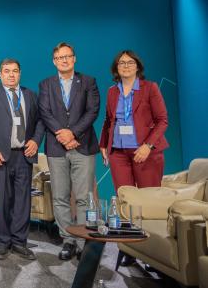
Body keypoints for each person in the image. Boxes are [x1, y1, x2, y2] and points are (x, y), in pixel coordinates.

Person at [0, 59, 45, 260]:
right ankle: (2, 243)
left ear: (20, 74)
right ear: (0, 74)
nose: (11, 75)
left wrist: (35, 141)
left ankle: (19, 242)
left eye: (15, 71)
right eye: (7, 71)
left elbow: (40, 121)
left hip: (24, 156)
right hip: (0, 156)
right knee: (1, 201)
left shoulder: (30, 95)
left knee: (22, 202)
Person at [38, 42, 100, 261]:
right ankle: (68, 240)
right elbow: (45, 112)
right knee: (60, 197)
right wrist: (62, 135)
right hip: (56, 148)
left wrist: (72, 134)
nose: (64, 60)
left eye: (68, 56)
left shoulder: (88, 82)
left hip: (83, 145)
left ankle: (84, 241)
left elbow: (92, 111)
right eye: (59, 57)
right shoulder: (46, 84)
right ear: (54, 61)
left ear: (74, 59)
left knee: (84, 197)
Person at [100, 50, 169, 190]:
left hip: (144, 152)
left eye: (131, 62)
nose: (126, 66)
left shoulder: (150, 88)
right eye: (122, 63)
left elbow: (162, 120)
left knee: (148, 200)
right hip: (118, 153)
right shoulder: (112, 91)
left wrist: (148, 146)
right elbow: (108, 120)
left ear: (137, 67)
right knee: (125, 199)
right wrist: (103, 144)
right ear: (116, 67)